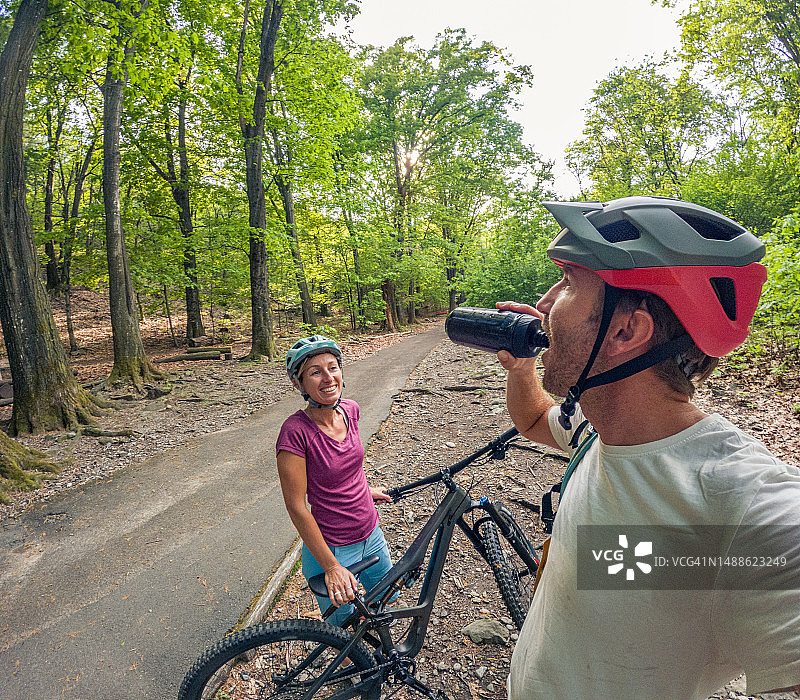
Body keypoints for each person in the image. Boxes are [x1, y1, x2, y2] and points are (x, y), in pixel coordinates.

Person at [497, 196, 800, 699]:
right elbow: (532, 418)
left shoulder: (747, 507)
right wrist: (522, 366)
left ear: (627, 330)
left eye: (569, 283)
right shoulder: (597, 430)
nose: (545, 304)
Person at [276, 335, 393, 626]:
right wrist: (331, 567)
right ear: (298, 384)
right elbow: (296, 506)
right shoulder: (295, 432)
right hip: (334, 547)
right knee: (343, 628)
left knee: (386, 598)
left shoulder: (350, 410)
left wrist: (365, 490)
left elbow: (349, 465)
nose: (328, 378)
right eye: (315, 372)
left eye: (333, 367)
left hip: (371, 532)